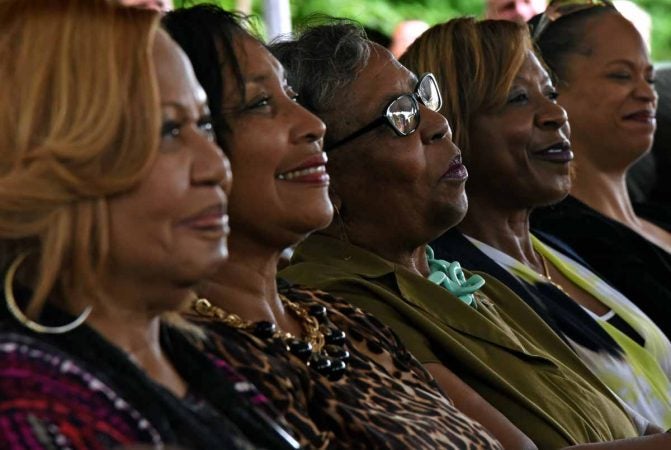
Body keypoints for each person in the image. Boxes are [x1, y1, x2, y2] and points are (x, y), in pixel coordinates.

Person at [270, 19, 671, 448]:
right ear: (325, 170)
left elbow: (632, 425)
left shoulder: (463, 279)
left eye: (424, 97)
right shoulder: (341, 301)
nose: (438, 124)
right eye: (400, 116)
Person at [163, 5, 504, 449]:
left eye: (289, 95)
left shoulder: (336, 318)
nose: (313, 125)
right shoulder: (190, 357)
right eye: (260, 104)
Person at [0, 1, 300, 448]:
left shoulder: (191, 356)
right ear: (59, 160)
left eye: (204, 125)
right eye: (168, 131)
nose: (216, 166)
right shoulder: (27, 401)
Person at [401, 16, 671, 429]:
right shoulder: (452, 283)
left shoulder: (555, 251)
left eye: (550, 92)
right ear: (453, 126)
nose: (555, 114)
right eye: (518, 98)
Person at [529, 1, 671, 340]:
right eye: (621, 75)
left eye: (649, 77)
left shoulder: (656, 215)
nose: (647, 93)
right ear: (551, 93)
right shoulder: (562, 240)